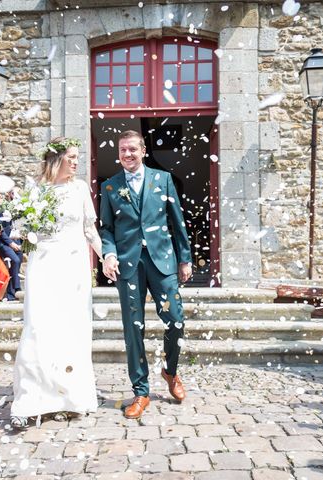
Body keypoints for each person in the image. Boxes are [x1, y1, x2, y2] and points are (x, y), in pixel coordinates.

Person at [10, 137, 101, 429]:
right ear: (55, 159)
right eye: (71, 157)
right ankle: (30, 399)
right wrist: (27, 227)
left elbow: (90, 229)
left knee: (71, 329)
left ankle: (69, 398)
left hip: (73, 266)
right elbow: (19, 231)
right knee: (38, 327)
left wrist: (107, 257)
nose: (76, 162)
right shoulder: (35, 190)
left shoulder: (80, 188)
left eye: (77, 157)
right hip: (43, 265)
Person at [100, 130, 192, 419]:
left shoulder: (162, 180)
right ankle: (140, 392)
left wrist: (185, 259)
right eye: (122, 150)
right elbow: (106, 228)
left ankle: (170, 371)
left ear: (143, 151)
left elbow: (178, 221)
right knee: (133, 329)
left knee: (175, 320)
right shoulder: (110, 187)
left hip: (163, 263)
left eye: (132, 149)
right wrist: (109, 253)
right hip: (129, 267)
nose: (127, 154)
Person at [0, 194, 23, 301]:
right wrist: (10, 243)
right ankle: (17, 287)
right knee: (14, 260)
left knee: (17, 262)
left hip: (17, 241)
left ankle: (11, 294)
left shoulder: (19, 208)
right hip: (3, 243)